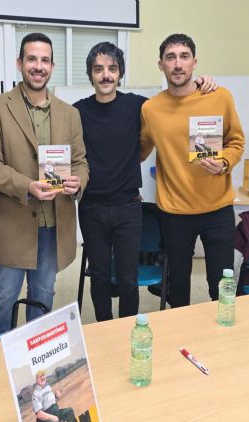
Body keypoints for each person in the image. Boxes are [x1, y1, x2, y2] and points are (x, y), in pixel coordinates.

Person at [73, 42, 217, 321]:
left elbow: (176, 102)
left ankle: (127, 330)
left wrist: (200, 84)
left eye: (112, 69)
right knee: (100, 277)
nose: (106, 75)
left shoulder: (139, 106)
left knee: (128, 278)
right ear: (90, 74)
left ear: (120, 73)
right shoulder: (77, 112)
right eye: (98, 69)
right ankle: (104, 331)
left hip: (129, 208)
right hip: (91, 208)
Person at [0, 33, 88, 332]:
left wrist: (78, 182)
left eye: (45, 60)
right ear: (19, 63)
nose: (38, 66)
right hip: (11, 224)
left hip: (53, 225)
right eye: (32, 59)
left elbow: (80, 161)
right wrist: (27, 186)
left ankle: (34, 354)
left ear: (52, 66)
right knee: (4, 297)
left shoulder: (70, 114)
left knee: (42, 296)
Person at [140, 34, 245, 308]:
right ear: (161, 64)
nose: (178, 64)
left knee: (222, 286)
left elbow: (236, 141)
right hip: (174, 213)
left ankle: (223, 331)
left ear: (194, 63)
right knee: (177, 288)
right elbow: (138, 150)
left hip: (217, 209)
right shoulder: (150, 109)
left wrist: (224, 163)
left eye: (184, 57)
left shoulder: (219, 97)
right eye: (170, 57)